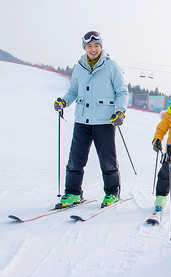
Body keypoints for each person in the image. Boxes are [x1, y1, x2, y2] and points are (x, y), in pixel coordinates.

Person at [53, 31, 128, 209]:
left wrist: (120, 111)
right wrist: (64, 101)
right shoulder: (79, 67)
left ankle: (112, 193)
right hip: (82, 121)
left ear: (101, 46)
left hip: (104, 121)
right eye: (89, 46)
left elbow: (122, 92)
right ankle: (72, 193)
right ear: (84, 48)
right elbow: (73, 91)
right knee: (75, 159)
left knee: (107, 160)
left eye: (96, 46)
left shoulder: (111, 66)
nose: (93, 49)